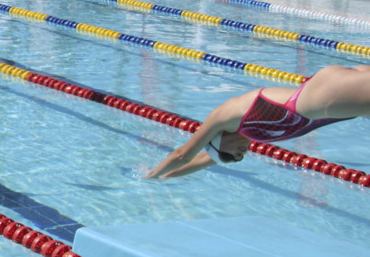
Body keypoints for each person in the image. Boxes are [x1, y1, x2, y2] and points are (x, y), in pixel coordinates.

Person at [145, 65, 370, 180]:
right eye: (237, 159)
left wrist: (151, 176)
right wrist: (168, 177)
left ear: (216, 141)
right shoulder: (251, 133)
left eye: (228, 155)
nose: (239, 156)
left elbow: (184, 156)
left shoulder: (225, 116)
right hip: (336, 98)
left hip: (326, 96)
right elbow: (206, 160)